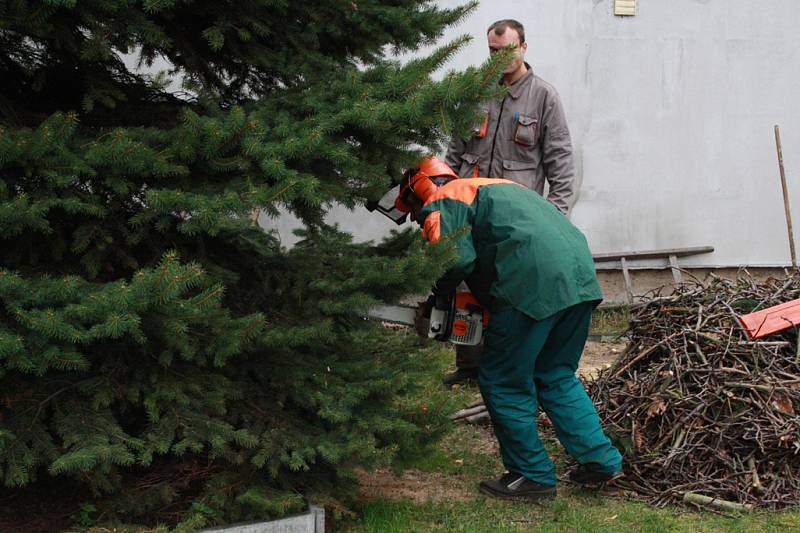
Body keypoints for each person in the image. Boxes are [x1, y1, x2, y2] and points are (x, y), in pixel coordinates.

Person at [395, 157, 622, 500]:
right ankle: (602, 461)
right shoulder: (495, 187)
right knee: (555, 375)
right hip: (579, 281)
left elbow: (453, 258)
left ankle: (531, 474)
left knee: (503, 380)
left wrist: (438, 294)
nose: (416, 219)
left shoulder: (446, 197)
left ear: (420, 190)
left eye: (413, 212)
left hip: (530, 287)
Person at [443, 18, 577, 386]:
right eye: (492, 51)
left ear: (524, 48)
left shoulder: (544, 97)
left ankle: (508, 367)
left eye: (507, 50)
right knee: (467, 287)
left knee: (509, 293)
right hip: (472, 211)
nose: (499, 58)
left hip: (518, 221)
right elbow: (454, 155)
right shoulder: (476, 93)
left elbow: (560, 163)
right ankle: (469, 364)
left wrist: (557, 217)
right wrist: (445, 202)